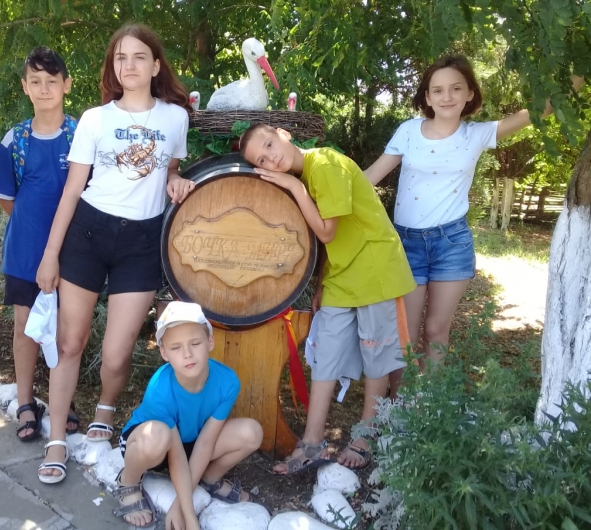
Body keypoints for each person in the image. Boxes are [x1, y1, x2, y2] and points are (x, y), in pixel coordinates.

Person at [35, 23, 195, 484]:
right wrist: (50, 255)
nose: (129, 65)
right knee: (69, 343)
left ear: (156, 65)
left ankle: (105, 408)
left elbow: (169, 170)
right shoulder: (94, 119)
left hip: (141, 242)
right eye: (121, 57)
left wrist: (174, 180)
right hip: (88, 233)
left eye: (139, 56)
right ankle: (57, 440)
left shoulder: (175, 118)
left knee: (116, 353)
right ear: (113, 66)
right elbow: (72, 190)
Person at [364, 55, 582, 366]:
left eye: (456, 88)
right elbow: (369, 178)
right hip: (405, 245)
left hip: (451, 245)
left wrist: (582, 69)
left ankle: (429, 398)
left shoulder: (477, 134)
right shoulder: (408, 131)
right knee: (405, 334)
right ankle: (401, 396)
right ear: (427, 97)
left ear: (469, 93)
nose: (447, 96)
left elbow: (539, 111)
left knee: (436, 330)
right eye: (437, 90)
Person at [240, 123, 415, 470]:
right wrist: (322, 282)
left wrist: (293, 187)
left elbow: (327, 231)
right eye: (262, 160)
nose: (272, 159)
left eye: (270, 145)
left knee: (376, 354)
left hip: (375, 267)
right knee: (325, 352)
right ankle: (312, 442)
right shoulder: (304, 177)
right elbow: (325, 244)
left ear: (283, 133)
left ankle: (365, 435)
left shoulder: (324, 165)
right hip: (341, 273)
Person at [0, 46, 80, 441]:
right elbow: (6, 199)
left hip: (75, 252)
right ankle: (25, 402)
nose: (45, 89)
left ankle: (64, 401)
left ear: (66, 85)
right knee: (26, 328)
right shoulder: (16, 140)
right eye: (36, 81)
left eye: (52, 81)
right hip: (25, 252)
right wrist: (34, 231)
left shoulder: (81, 136)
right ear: (25, 87)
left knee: (67, 330)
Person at [113, 301, 262, 529]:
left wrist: (178, 507)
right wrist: (189, 515)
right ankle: (128, 482)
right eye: (176, 348)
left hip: (191, 441)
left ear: (210, 341)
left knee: (251, 432)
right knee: (157, 437)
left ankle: (210, 478)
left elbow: (206, 443)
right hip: (152, 445)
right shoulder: (159, 389)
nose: (187, 354)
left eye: (195, 343)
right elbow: (176, 457)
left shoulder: (228, 381)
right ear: (164, 353)